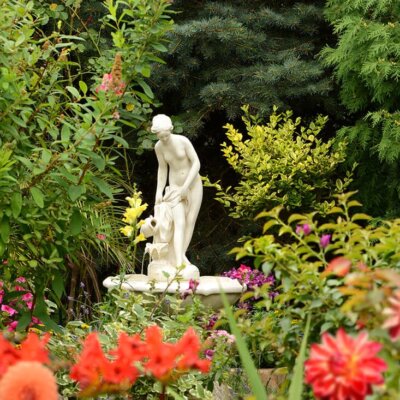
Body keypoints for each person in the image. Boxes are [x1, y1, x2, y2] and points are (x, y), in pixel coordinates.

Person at [151, 114, 203, 270]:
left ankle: (180, 255)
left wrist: (186, 186)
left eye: (166, 135)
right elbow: (162, 169)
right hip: (174, 188)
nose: (165, 139)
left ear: (171, 130)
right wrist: (158, 192)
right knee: (179, 222)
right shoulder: (158, 147)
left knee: (190, 220)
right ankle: (178, 259)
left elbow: (196, 163)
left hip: (193, 184)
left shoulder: (183, 141)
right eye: (161, 137)